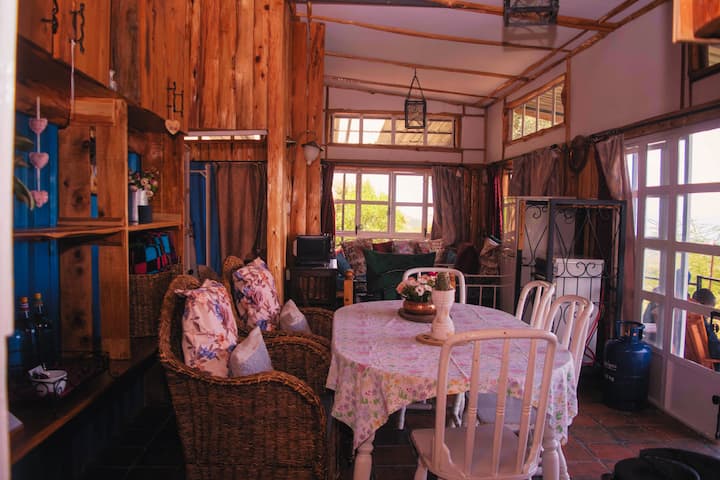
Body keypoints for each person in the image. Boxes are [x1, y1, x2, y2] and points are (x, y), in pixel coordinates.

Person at [691, 288, 720, 372]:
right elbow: (716, 351)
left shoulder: (687, 319)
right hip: (712, 368)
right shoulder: (702, 326)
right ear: (703, 306)